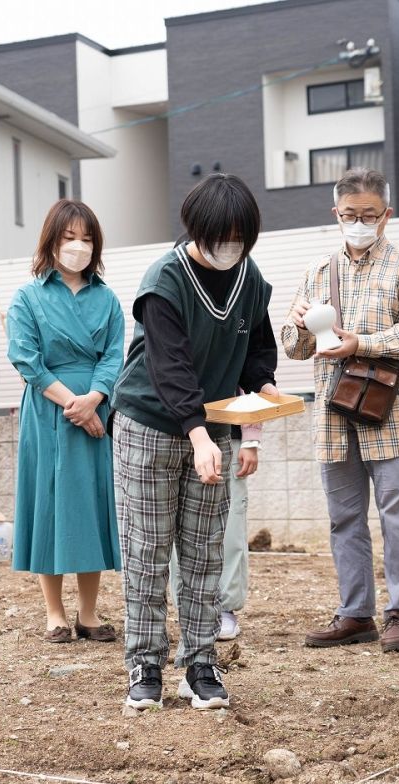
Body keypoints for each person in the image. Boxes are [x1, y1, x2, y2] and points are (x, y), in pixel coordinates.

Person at [111, 174, 277, 711]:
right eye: (219, 237)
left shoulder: (249, 276)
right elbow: (170, 366)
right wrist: (200, 434)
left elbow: (256, 347)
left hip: (212, 427)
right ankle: (145, 662)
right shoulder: (165, 279)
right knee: (148, 548)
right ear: (194, 231)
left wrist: (266, 390)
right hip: (150, 424)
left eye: (239, 238)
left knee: (205, 548)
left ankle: (200, 661)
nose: (229, 247)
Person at [280, 167, 399, 653]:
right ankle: (355, 614)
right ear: (336, 214)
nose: (359, 222)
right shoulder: (318, 272)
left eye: (369, 215)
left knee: (398, 517)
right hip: (333, 416)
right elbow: (291, 346)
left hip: (395, 414)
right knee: (344, 518)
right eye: (350, 215)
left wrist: (359, 343)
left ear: (387, 215)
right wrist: (303, 326)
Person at [6, 200, 124, 643]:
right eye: (69, 237)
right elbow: (25, 359)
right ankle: (54, 613)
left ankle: (88, 613)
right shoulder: (28, 296)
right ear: (51, 241)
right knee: (49, 502)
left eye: (87, 239)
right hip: (48, 408)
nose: (78, 246)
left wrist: (95, 399)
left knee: (90, 505)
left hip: (95, 405)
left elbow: (114, 355)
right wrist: (74, 403)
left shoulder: (107, 298)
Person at [169, 415, 262, 642]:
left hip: (228, 431)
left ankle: (224, 608)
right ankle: (187, 608)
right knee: (176, 524)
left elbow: (252, 383)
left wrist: (250, 438)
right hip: (173, 430)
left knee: (230, 527)